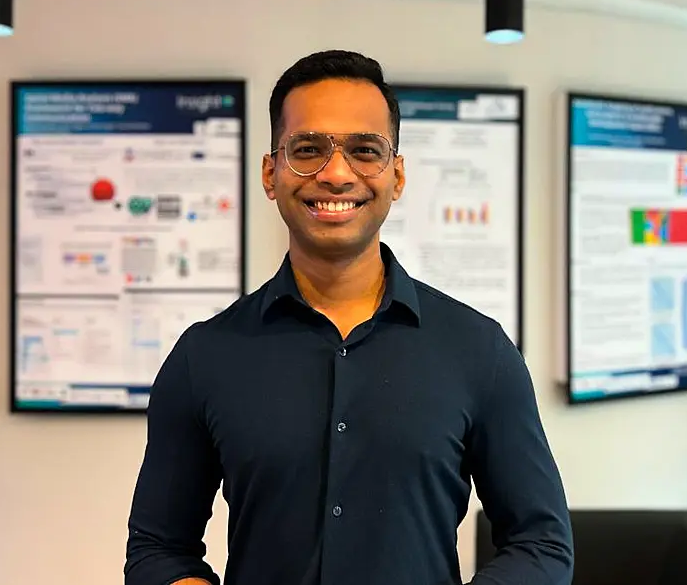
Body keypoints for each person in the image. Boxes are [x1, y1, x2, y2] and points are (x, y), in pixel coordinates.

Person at [124, 49, 574, 585]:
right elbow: (158, 550)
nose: (337, 174)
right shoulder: (204, 357)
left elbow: (541, 543)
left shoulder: (480, 351)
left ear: (397, 175)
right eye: (308, 149)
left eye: (365, 150)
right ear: (271, 173)